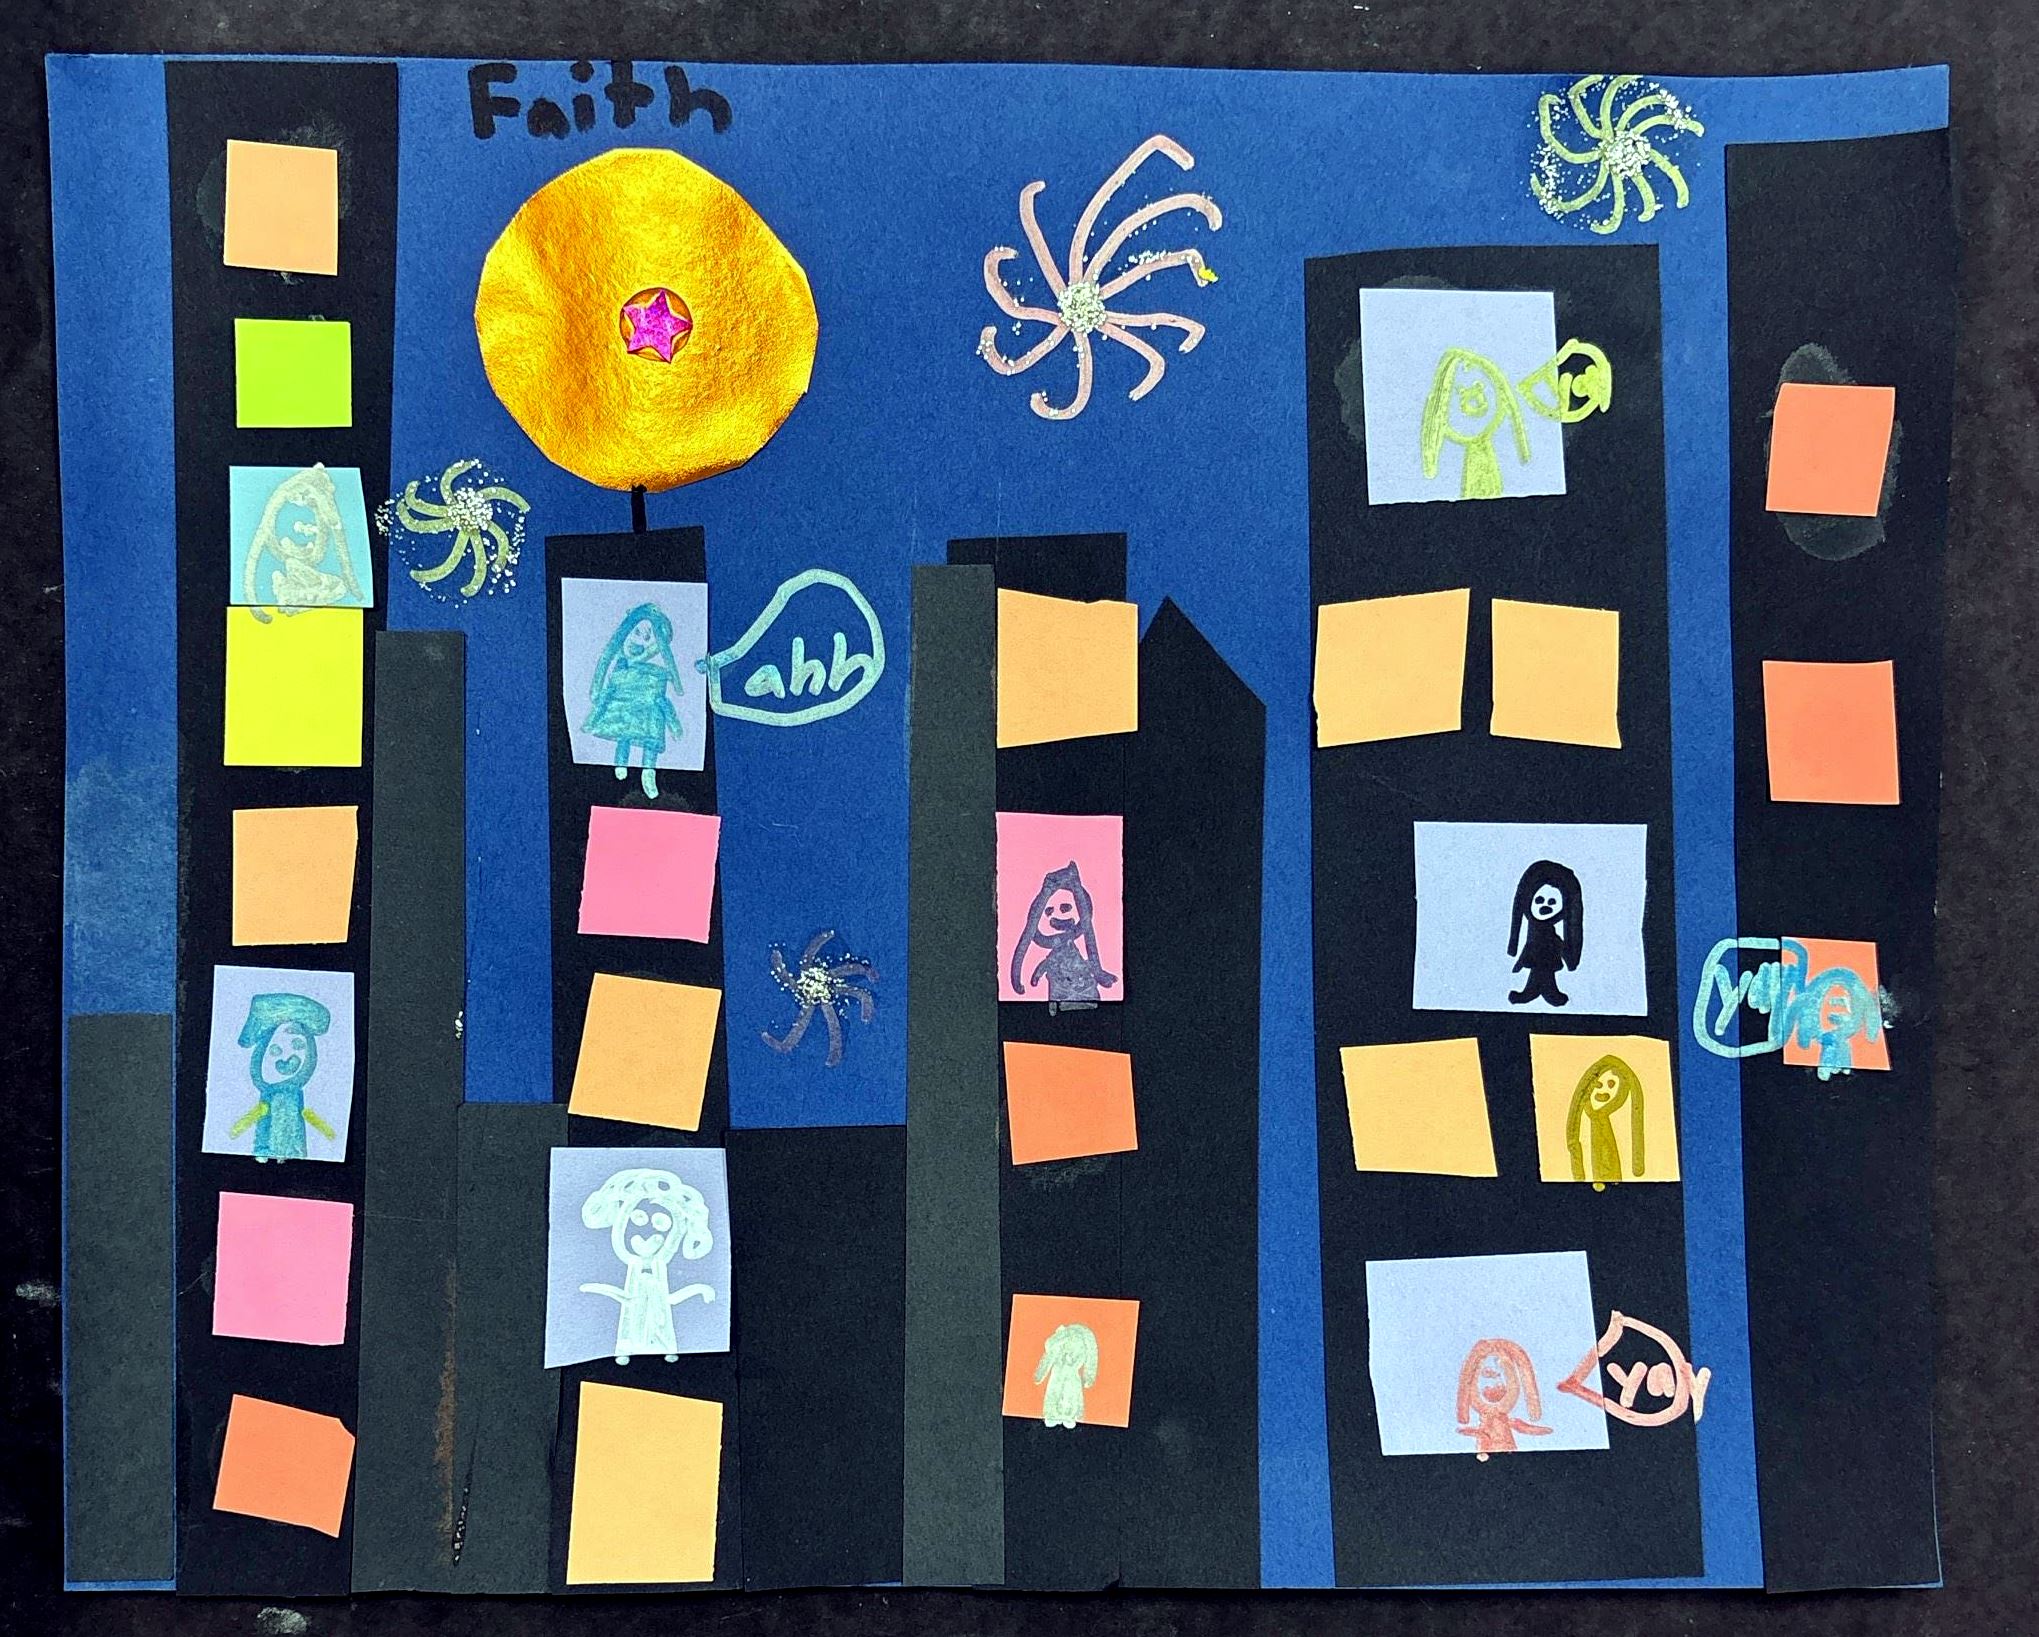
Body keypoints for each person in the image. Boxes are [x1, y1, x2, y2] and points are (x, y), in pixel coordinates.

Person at [585, 602, 685, 798]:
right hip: (624, 708)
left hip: (649, 709)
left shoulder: (657, 675)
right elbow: (606, 673)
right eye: (637, 632)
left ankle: (648, 771)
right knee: (624, 730)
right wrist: (598, 694)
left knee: (651, 735)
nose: (640, 641)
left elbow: (662, 702)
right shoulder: (621, 666)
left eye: (648, 638)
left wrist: (674, 726)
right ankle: (621, 762)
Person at [227, 992, 337, 1162]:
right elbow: (258, 1113)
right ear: (260, 1055)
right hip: (264, 1151)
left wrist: (326, 1130)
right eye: (275, 1050)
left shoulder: (296, 1098)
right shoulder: (266, 1100)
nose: (287, 1057)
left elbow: (306, 1114)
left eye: (298, 1045)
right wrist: (238, 1128)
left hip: (293, 1153)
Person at [1010, 861, 1118, 1010]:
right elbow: (1043, 961)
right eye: (1048, 911)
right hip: (1061, 995)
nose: (1057, 915)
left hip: (1085, 991)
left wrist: (1098, 972)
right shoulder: (1052, 953)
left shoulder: (1073, 942)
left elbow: (1088, 935)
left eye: (1065, 908)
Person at [1455, 1338, 1552, 1459]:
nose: (1495, 1386)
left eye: (1499, 1380)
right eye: (1488, 1375)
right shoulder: (1489, 1413)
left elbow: (1524, 1428)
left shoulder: (1510, 1419)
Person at [1508, 860, 1583, 1007]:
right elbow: (1529, 947)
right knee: (1539, 977)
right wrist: (1520, 961)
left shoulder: (1551, 936)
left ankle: (1546, 994)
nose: (1545, 906)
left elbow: (1558, 944)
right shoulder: (1533, 933)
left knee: (1546, 978)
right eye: (1539, 900)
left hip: (1548, 960)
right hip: (1538, 959)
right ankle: (1533, 993)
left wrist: (1565, 952)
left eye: (1552, 902)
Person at [1565, 1053, 1645, 1188]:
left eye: (1611, 1084)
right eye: (1598, 1084)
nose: (1603, 1090)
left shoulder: (1622, 1116)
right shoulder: (1582, 1121)